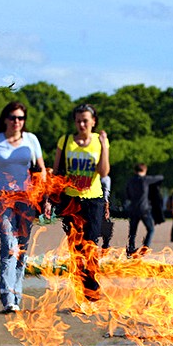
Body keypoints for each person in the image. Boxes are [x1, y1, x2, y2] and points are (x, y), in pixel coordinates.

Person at [0, 101, 45, 313]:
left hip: (26, 199)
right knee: (8, 245)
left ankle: (17, 293)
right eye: (13, 117)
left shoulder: (31, 140)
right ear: (5, 119)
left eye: (20, 118)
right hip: (3, 199)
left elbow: (41, 169)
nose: (16, 122)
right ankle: (7, 295)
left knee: (22, 248)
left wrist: (41, 192)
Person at [52, 103, 109, 300]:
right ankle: (80, 294)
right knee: (75, 249)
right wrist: (50, 197)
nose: (82, 124)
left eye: (85, 120)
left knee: (90, 245)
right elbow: (57, 170)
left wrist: (104, 145)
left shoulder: (99, 141)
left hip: (93, 200)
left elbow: (103, 172)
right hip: (71, 200)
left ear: (93, 122)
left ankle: (91, 286)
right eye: (78, 121)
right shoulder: (66, 140)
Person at [125, 163, 164, 256]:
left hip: (133, 208)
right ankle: (145, 249)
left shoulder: (130, 181)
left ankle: (130, 249)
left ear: (135, 171)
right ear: (145, 170)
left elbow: (127, 195)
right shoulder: (145, 180)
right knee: (151, 229)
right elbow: (160, 177)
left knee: (132, 231)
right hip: (144, 209)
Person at [100, 172, 114, 250]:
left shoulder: (105, 178)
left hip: (100, 202)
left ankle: (106, 245)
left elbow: (106, 194)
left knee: (106, 224)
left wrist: (106, 208)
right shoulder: (106, 179)